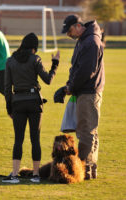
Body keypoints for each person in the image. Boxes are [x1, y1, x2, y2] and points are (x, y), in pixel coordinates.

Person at [2, 33, 60, 184]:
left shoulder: (10, 61)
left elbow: (7, 88)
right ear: (34, 47)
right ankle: (35, 174)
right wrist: (55, 64)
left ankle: (14, 174)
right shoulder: (35, 59)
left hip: (18, 103)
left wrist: (9, 108)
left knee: (18, 140)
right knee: (35, 139)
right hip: (34, 102)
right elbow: (47, 80)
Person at [62, 14, 105, 180]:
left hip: (89, 92)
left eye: (69, 30)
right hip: (84, 90)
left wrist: (70, 88)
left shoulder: (91, 42)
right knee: (89, 131)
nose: (68, 34)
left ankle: (84, 170)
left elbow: (86, 72)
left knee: (86, 132)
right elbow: (76, 68)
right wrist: (67, 85)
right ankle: (89, 170)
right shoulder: (83, 40)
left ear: (78, 25)